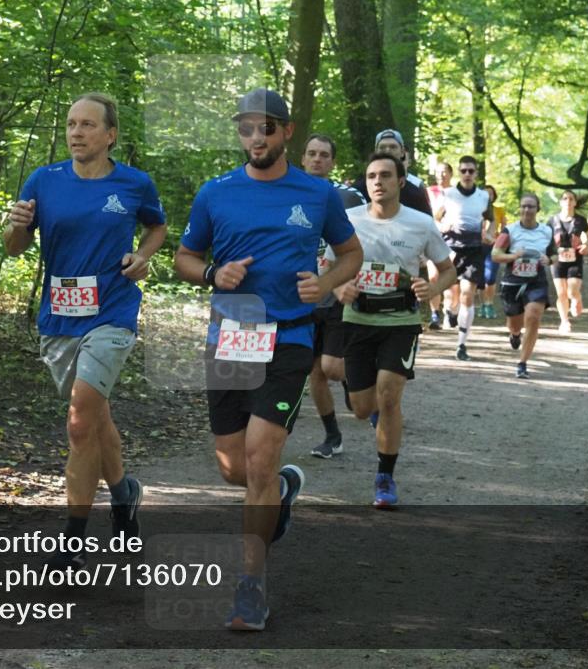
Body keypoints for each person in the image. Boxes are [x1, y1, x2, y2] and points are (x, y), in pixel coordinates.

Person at [174, 88, 362, 631]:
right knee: (233, 466)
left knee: (259, 457)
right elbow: (187, 256)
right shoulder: (215, 193)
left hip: (289, 338)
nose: (255, 138)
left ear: (287, 132)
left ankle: (250, 588)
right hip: (231, 335)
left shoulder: (318, 193)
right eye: (246, 130)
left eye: (266, 129)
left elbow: (351, 254)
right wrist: (213, 274)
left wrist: (324, 283)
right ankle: (280, 492)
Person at [5, 93, 167, 570]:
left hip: (112, 311)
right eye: (72, 124)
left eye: (88, 125)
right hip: (59, 316)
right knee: (96, 418)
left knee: (79, 421)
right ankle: (123, 495)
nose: (76, 132)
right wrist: (14, 227)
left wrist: (143, 256)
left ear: (110, 135)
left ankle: (72, 541)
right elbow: (15, 248)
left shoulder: (134, 183)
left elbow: (156, 228)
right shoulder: (44, 180)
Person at [336, 153, 456, 509]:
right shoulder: (348, 220)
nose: (377, 182)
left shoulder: (420, 223)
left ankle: (385, 476)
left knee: (389, 397)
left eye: (386, 175)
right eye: (371, 175)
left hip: (400, 320)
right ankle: (363, 398)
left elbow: (448, 269)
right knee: (361, 408)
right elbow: (326, 264)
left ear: (400, 182)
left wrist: (432, 290)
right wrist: (337, 288)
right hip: (358, 319)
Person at [300, 134, 366, 459]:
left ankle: (353, 379)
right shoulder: (287, 195)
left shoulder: (348, 198)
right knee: (315, 371)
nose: (317, 160)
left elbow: (362, 243)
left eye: (324, 155)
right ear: (302, 159)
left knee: (332, 368)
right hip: (302, 297)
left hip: (338, 295)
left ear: (332, 162)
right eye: (311, 154)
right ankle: (332, 436)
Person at [492, 192, 557, 378]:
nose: (527, 210)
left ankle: (522, 363)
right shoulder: (510, 231)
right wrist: (514, 256)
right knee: (515, 323)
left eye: (531, 206)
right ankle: (514, 334)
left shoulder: (546, 231)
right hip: (512, 282)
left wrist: (549, 259)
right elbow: (495, 255)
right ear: (519, 209)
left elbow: (554, 254)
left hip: (536, 281)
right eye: (524, 206)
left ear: (538, 210)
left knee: (533, 317)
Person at [435, 156, 493, 360]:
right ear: (459, 173)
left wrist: (489, 233)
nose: (467, 174)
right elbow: (436, 215)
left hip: (474, 249)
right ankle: (450, 311)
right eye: (464, 171)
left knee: (467, 294)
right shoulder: (448, 193)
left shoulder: (483, 196)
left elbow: (490, 220)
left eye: (471, 171)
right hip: (451, 248)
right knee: (452, 296)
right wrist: (443, 226)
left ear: (476, 173)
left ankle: (461, 344)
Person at [354, 129, 433, 217]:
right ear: (376, 151)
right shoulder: (358, 191)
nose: (387, 150)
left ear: (402, 152)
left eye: (393, 147)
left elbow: (426, 225)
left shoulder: (415, 194)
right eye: (382, 147)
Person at [548, 190, 588, 334]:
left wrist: (587, 245)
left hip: (575, 259)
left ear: (574, 202)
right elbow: (544, 238)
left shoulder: (581, 220)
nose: (568, 201)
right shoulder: (552, 220)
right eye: (565, 198)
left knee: (572, 291)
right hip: (557, 260)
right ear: (561, 202)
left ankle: (576, 299)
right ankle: (564, 322)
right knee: (561, 293)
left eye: (571, 199)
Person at [426, 162, 453, 329]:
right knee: (433, 277)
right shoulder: (429, 192)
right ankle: (434, 313)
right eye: (438, 172)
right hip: (433, 237)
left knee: (450, 277)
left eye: (444, 172)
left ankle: (450, 310)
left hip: (453, 239)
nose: (441, 175)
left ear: (450, 173)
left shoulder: (456, 193)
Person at [479, 184, 507, 318]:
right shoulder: (475, 209)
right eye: (485, 193)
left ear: (494, 196)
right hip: (478, 246)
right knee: (480, 277)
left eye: (490, 193)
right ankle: (482, 304)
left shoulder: (499, 210)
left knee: (490, 276)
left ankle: (489, 304)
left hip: (493, 246)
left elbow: (504, 229)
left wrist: (499, 240)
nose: (488, 196)